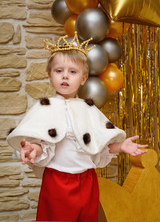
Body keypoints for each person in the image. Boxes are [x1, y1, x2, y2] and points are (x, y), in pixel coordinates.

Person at [7, 32, 148, 222]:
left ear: (83, 78)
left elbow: (100, 145)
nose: (65, 76)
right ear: (50, 75)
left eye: (72, 72)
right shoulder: (44, 107)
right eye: (59, 71)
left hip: (88, 182)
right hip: (57, 182)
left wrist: (121, 146)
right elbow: (43, 142)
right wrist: (33, 148)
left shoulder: (88, 109)